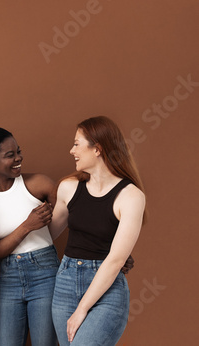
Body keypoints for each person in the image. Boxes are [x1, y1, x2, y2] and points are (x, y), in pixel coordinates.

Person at [49, 116, 146, 345]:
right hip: (65, 282)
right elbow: (46, 236)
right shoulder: (69, 188)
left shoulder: (131, 196)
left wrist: (82, 308)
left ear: (97, 149)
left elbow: (115, 260)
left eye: (76, 144)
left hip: (107, 288)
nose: (71, 150)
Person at [0, 126, 58, 346]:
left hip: (45, 275)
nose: (18, 158)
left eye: (18, 152)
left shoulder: (39, 184)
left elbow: (78, 221)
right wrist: (26, 226)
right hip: (8, 280)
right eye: (10, 155)